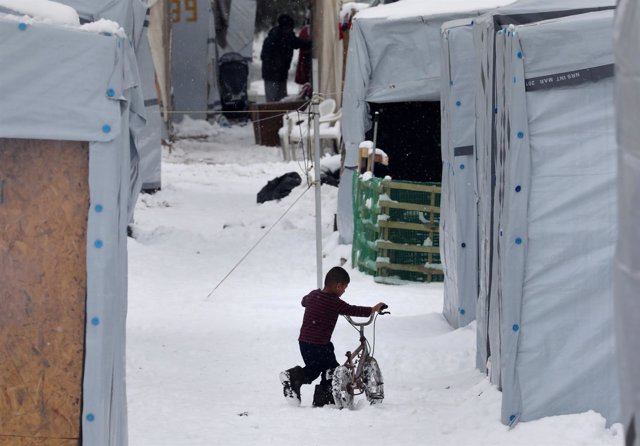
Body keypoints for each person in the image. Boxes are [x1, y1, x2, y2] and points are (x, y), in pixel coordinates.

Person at [279, 266, 386, 406]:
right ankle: (316, 392)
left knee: (314, 369)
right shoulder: (334, 302)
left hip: (305, 342)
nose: (344, 291)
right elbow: (352, 309)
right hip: (320, 344)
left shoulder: (313, 295)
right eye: (344, 287)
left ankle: (300, 384)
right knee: (332, 370)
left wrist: (313, 302)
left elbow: (303, 301)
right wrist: (372, 309)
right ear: (338, 285)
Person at [260, 14, 312, 102]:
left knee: (281, 100)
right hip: (271, 75)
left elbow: (300, 43)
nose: (290, 30)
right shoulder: (273, 38)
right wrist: (275, 67)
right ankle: (274, 114)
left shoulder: (288, 37)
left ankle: (279, 114)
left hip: (281, 73)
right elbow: (265, 57)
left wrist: (311, 44)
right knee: (273, 101)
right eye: (289, 28)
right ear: (283, 28)